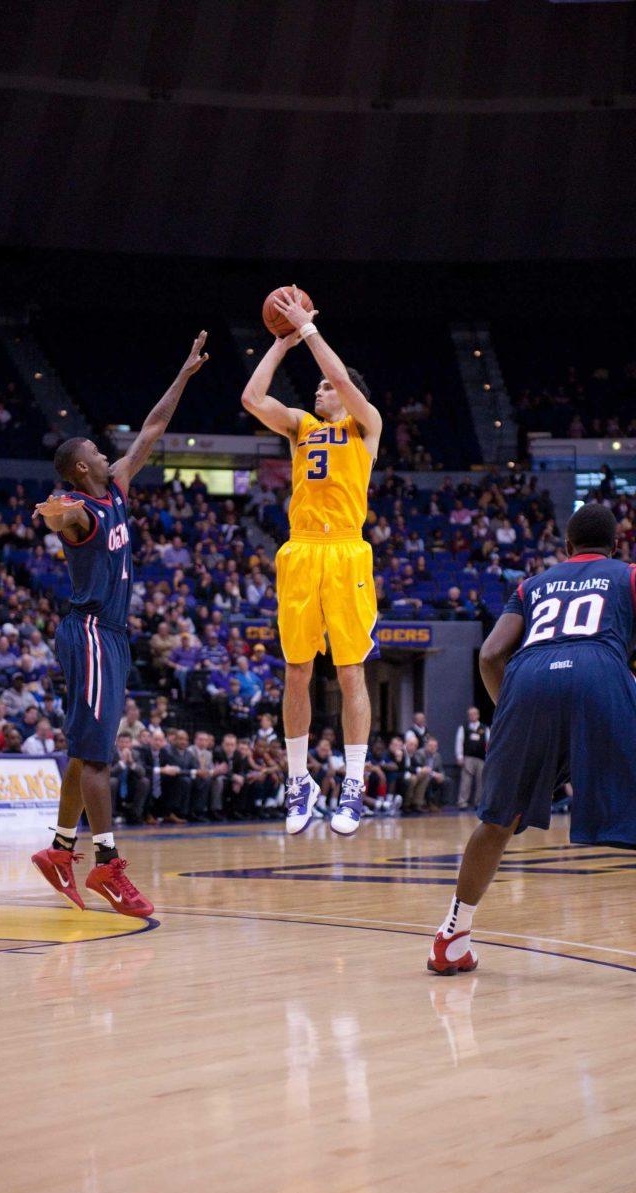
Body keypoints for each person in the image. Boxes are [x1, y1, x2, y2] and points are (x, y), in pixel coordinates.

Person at [429, 503, 636, 977]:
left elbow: (488, 655)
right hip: (599, 672)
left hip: (527, 677)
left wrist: (513, 709)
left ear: (566, 549)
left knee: (498, 819)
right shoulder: (633, 574)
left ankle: (452, 936)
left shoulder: (532, 585)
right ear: (615, 547)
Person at [30, 331, 209, 916]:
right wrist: (56, 513)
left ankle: (60, 850)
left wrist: (183, 374)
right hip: (89, 632)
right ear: (83, 468)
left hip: (111, 636)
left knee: (86, 750)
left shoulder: (118, 490)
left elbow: (152, 428)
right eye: (99, 455)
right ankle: (107, 864)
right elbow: (63, 516)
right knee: (99, 756)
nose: (110, 455)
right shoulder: (82, 508)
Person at [241, 287, 382, 837]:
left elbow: (343, 380)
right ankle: (298, 781)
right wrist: (282, 341)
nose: (321, 389)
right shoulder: (301, 426)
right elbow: (253, 398)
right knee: (296, 670)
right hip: (300, 549)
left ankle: (353, 783)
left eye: (327, 386)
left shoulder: (365, 425)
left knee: (350, 671)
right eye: (320, 386)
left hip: (347, 549)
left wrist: (309, 331)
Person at [454, 706, 489, 809]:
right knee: (466, 781)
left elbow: (489, 743)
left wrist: (488, 758)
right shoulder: (463, 728)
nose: (472, 716)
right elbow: (459, 742)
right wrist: (459, 756)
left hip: (481, 759)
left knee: (481, 781)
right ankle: (462, 802)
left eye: (474, 714)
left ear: (478, 715)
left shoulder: (484, 728)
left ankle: (479, 802)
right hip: (468, 758)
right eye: (470, 714)